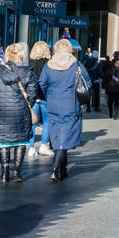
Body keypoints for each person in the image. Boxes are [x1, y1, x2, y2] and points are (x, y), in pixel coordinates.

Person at [0, 43, 39, 185]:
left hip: (1, 113)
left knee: (3, 143)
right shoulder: (28, 73)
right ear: (20, 55)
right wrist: (27, 106)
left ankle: (4, 171)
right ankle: (17, 171)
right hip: (21, 112)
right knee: (21, 142)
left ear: (7, 55)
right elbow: (33, 95)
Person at [37, 39, 87, 181]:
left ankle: (61, 168)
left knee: (57, 135)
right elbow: (86, 82)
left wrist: (48, 95)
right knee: (65, 137)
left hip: (53, 104)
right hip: (71, 104)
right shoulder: (76, 65)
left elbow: (42, 84)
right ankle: (56, 169)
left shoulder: (49, 65)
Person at [28, 41, 53, 156]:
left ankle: (31, 148)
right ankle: (44, 145)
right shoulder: (49, 63)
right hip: (45, 96)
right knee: (47, 121)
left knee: (32, 122)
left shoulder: (29, 63)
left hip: (32, 96)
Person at [102, 52, 119, 120]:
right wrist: (115, 78)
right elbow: (108, 76)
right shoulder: (111, 69)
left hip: (117, 88)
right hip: (111, 88)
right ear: (114, 64)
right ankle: (111, 113)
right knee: (110, 101)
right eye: (117, 63)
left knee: (116, 101)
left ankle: (115, 114)